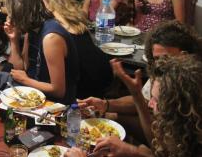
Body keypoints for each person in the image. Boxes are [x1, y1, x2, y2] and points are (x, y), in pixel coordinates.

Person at [78, 20, 201, 145]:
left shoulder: (192, 84)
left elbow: (161, 143)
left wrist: (132, 151)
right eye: (155, 59)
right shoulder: (161, 72)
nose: (159, 64)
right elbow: (146, 102)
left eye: (165, 58)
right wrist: (105, 104)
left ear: (185, 56)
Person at [0, 0, 79, 119]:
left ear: (22, 14)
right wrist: (13, 39)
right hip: (31, 83)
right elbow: (20, 67)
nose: (8, 17)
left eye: (11, 13)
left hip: (53, 98)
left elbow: (59, 91)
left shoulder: (51, 38)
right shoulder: (32, 30)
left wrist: (25, 79)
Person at [66, 54, 202, 157]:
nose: (150, 103)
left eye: (156, 100)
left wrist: (132, 151)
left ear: (180, 107)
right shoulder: (186, 132)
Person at [36, 0, 113, 98]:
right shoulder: (75, 17)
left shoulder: (54, 29)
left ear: (46, 4)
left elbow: (57, 87)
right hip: (102, 75)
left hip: (83, 86)